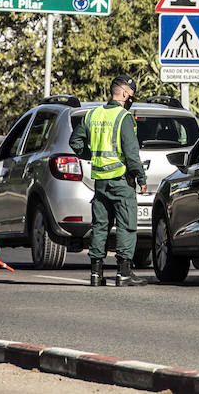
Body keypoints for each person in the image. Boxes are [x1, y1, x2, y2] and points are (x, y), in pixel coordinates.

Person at [69, 74, 148, 287]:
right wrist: (141, 177)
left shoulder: (92, 115)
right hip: (121, 182)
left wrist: (91, 155)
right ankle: (124, 274)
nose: (132, 98)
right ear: (124, 93)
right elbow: (132, 154)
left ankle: (96, 274)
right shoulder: (123, 118)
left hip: (100, 182)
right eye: (131, 94)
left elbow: (74, 141)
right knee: (126, 226)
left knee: (100, 226)